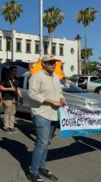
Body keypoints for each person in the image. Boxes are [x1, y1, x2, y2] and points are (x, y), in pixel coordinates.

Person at [27, 54, 66, 182]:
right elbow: (32, 94)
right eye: (50, 62)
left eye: (54, 62)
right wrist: (50, 101)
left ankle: (42, 167)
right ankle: (33, 171)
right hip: (41, 113)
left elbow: (59, 92)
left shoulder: (55, 77)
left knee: (47, 143)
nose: (53, 64)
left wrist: (62, 99)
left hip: (54, 114)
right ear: (43, 64)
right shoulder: (36, 76)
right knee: (42, 143)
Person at [1, 66, 21, 132]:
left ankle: (11, 126)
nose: (16, 72)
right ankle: (6, 126)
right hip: (7, 97)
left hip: (14, 98)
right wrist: (9, 88)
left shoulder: (16, 79)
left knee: (13, 113)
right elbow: (0, 87)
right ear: (10, 71)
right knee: (7, 113)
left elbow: (18, 88)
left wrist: (20, 96)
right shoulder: (6, 79)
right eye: (14, 71)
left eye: (16, 71)